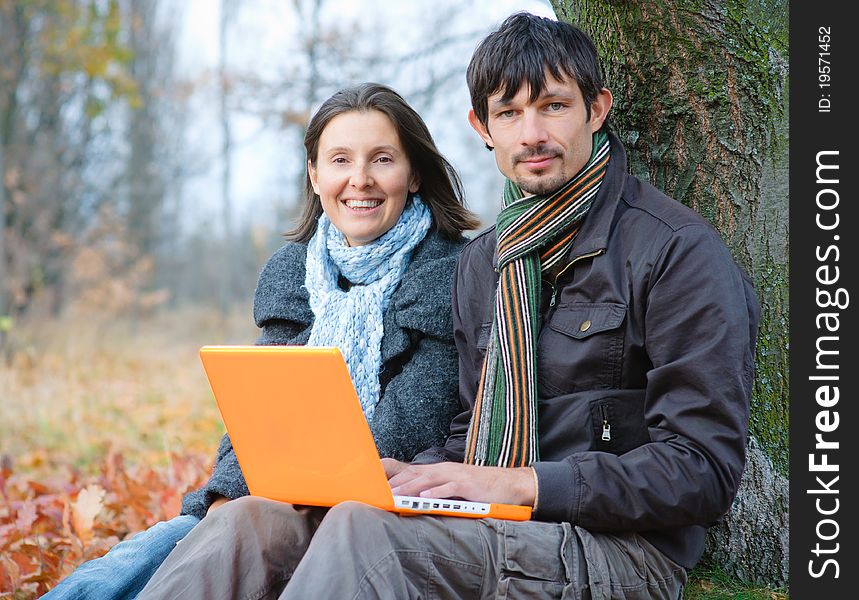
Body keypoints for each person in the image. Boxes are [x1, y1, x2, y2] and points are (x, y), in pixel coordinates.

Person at [136, 12, 761, 600]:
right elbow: (472, 430)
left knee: (362, 533)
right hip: (492, 517)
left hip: (616, 547)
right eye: (509, 114)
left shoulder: (675, 252)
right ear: (481, 129)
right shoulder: (487, 263)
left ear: (597, 109)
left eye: (555, 107)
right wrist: (408, 474)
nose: (532, 134)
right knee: (250, 524)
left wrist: (522, 483)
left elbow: (702, 467)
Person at [43, 82, 479, 599]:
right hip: (275, 491)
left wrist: (268, 491)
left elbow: (410, 423)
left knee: (222, 536)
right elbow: (254, 416)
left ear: (414, 175)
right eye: (340, 160)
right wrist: (223, 496)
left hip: (367, 515)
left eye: (382, 159)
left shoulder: (450, 273)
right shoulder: (295, 271)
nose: (359, 180)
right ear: (315, 176)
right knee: (152, 549)